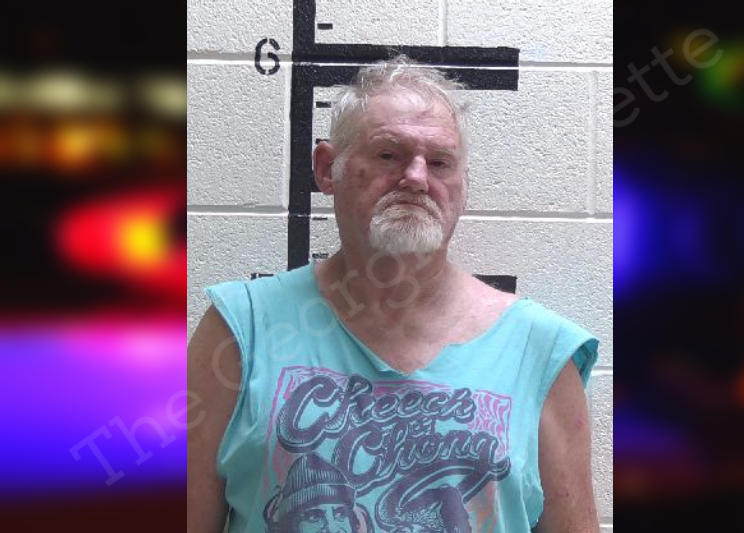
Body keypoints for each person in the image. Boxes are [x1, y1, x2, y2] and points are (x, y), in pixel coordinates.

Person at [188, 55, 600, 533]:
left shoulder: (540, 352)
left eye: (440, 162)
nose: (417, 178)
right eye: (389, 154)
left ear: (463, 185)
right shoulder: (241, 331)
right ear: (327, 168)